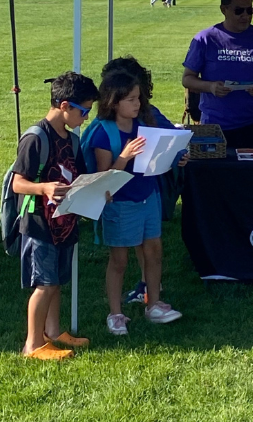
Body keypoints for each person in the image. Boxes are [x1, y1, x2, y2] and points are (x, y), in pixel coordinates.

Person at [9, 72, 99, 360]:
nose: (85, 117)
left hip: (64, 221)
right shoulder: (36, 138)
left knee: (57, 281)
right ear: (64, 106)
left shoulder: (72, 141)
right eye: (83, 111)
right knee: (44, 284)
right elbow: (17, 183)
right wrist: (43, 187)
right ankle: (32, 345)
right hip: (39, 224)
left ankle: (54, 332)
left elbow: (80, 177)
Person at [86, 69, 183, 333]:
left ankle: (154, 303)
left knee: (154, 252)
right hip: (121, 203)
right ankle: (115, 314)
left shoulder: (143, 123)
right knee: (119, 260)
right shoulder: (103, 133)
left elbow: (153, 159)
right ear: (113, 102)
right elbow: (104, 179)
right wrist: (125, 156)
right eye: (130, 99)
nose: (137, 104)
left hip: (147, 196)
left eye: (138, 98)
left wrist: (173, 156)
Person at [181, 0, 253, 150]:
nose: (245, 16)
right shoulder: (206, 39)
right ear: (224, 9)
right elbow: (187, 79)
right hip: (215, 126)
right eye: (239, 11)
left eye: (249, 10)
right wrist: (211, 87)